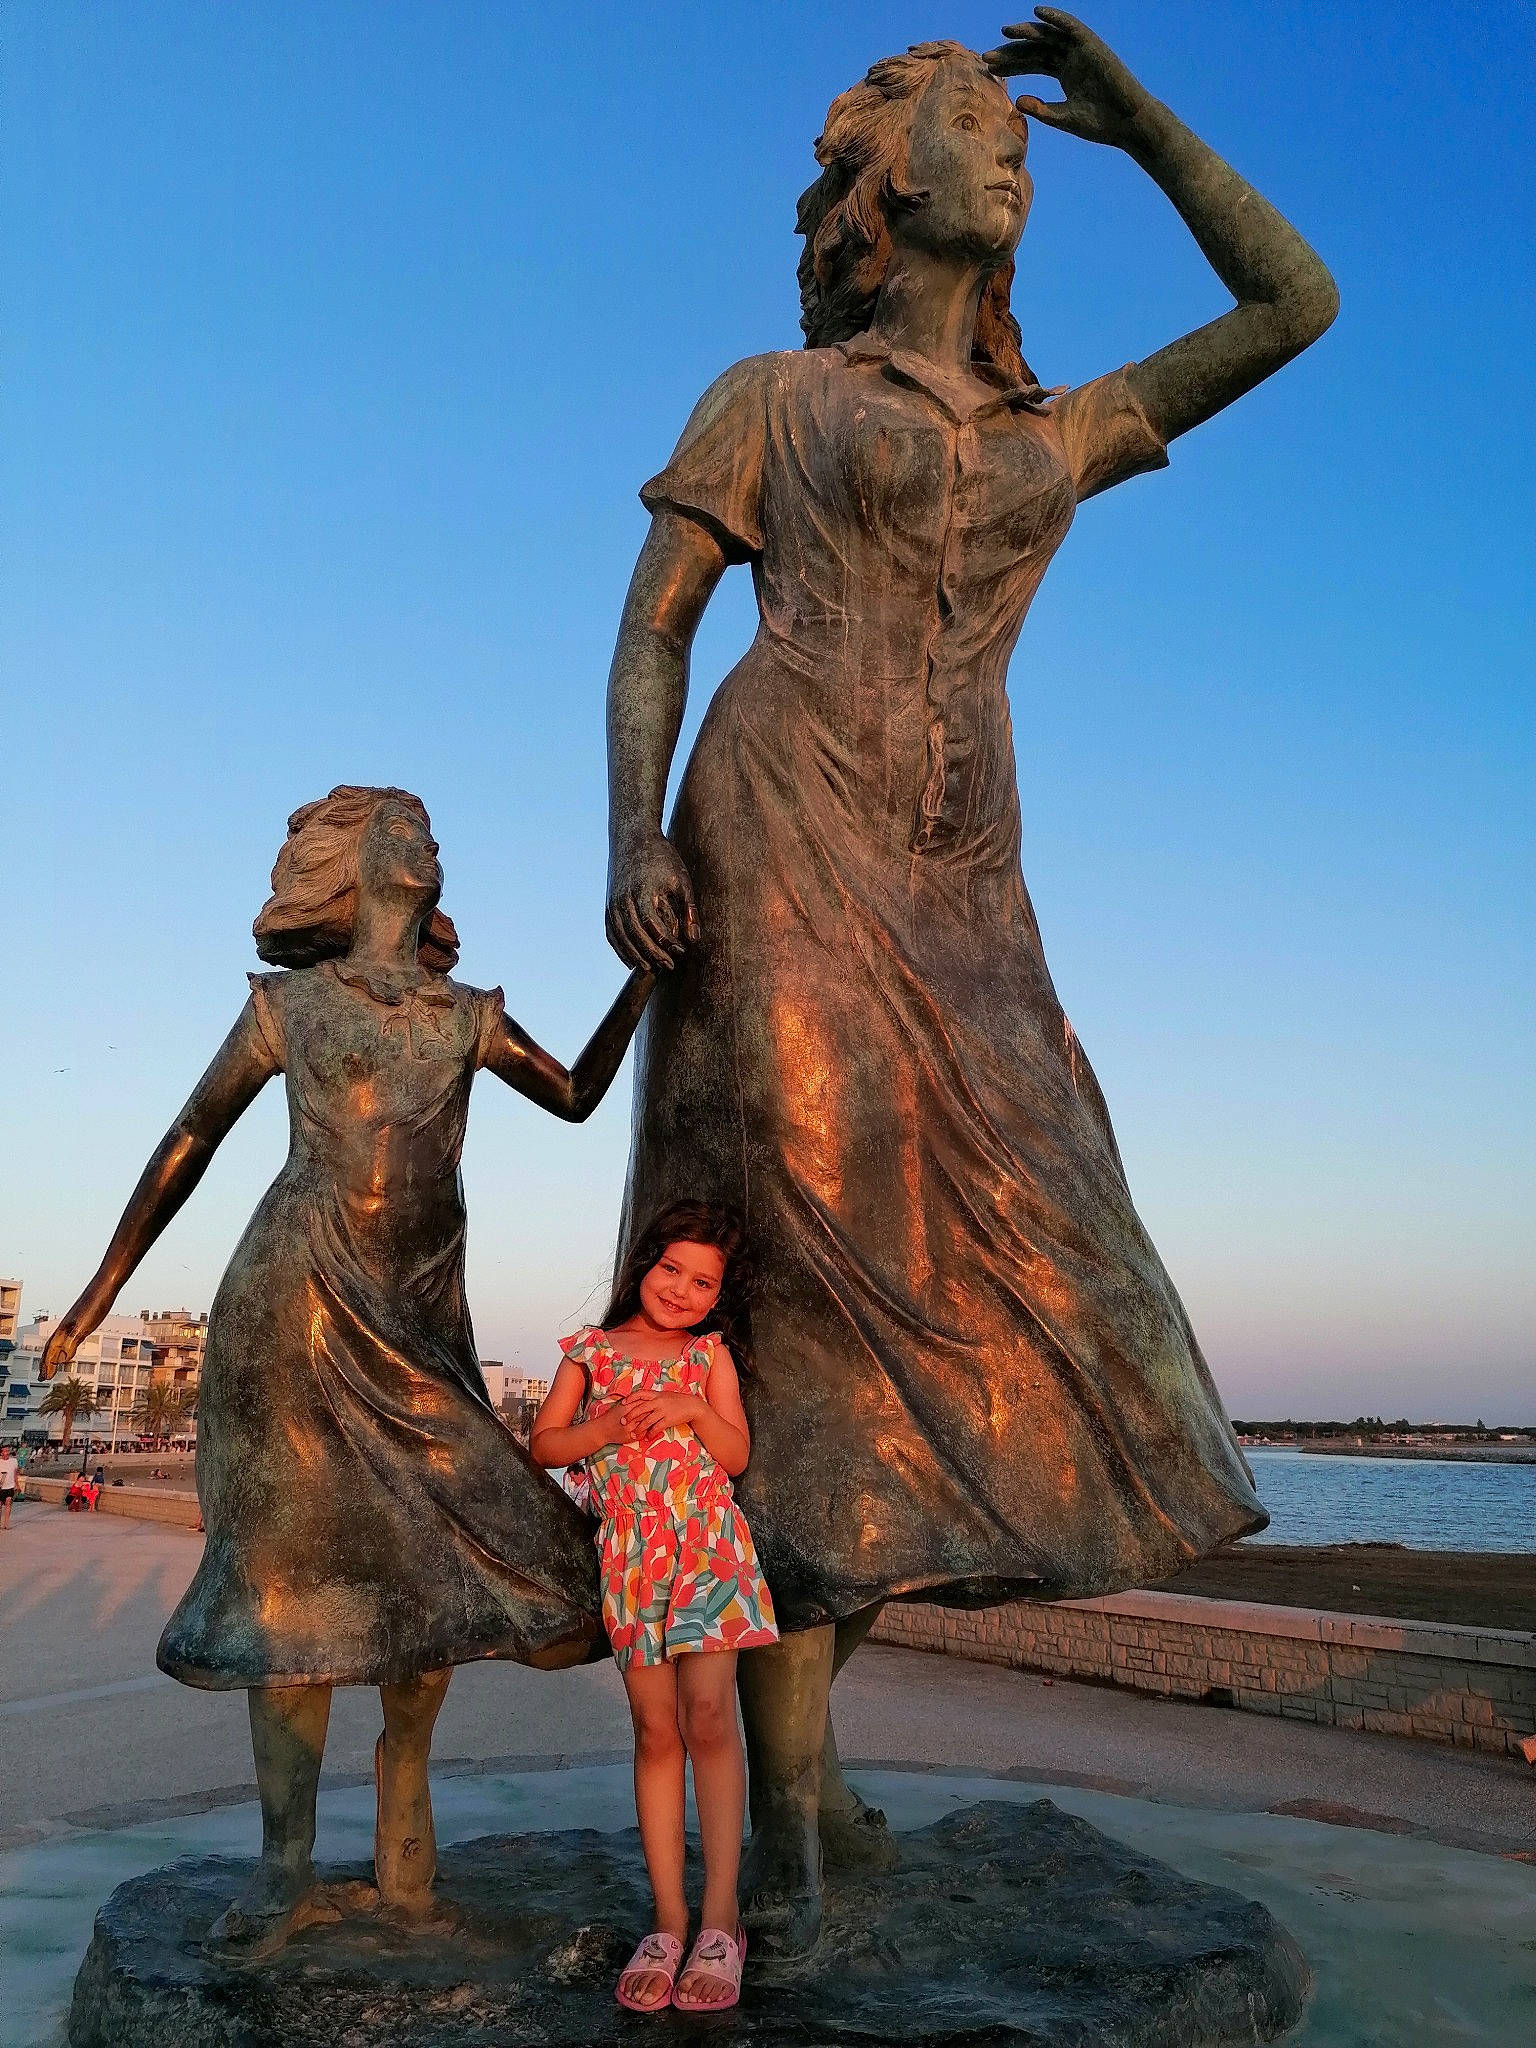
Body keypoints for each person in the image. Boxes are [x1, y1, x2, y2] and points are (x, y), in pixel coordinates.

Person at [602, 13, 1337, 1949]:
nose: (1006, 154)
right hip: (773, 826)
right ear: (885, 185)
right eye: (971, 122)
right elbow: (655, 630)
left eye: (1019, 137)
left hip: (965, 883)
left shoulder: (1052, 431)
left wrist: (1144, 127)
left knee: (1042, 1246)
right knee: (814, 1273)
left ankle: (812, 1759)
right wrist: (632, 838)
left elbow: (1296, 302)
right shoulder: (771, 390)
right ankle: (791, 1793)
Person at [42, 784, 658, 1953]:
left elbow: (576, 1095)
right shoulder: (290, 1009)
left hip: (419, 1318)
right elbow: (189, 1137)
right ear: (358, 864)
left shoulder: (466, 1016)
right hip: (298, 1305)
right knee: (294, 1594)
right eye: (404, 829)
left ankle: (407, 1869)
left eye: (434, 834)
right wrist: (95, 1295)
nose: (427, 844)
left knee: (431, 1585)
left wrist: (647, 978)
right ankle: (283, 1875)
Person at [531, 1200, 778, 2014]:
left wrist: (694, 1411)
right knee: (654, 1730)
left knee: (710, 1718)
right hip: (633, 1557)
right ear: (643, 1265)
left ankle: (720, 1921)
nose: (682, 1288)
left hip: (707, 1549)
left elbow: (735, 1454)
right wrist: (603, 1428)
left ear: (715, 1298)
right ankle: (669, 1921)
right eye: (671, 1267)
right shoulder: (591, 1351)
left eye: (702, 1280)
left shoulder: (708, 1357)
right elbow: (546, 1445)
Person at [0, 1444, 18, 1528]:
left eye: (8, 1451)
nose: (6, 1453)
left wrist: (16, 1484)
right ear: (1, 1452)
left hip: (10, 1486)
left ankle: (6, 1523)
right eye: (4, 1451)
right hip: (1, 1487)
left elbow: (15, 1474)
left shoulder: (14, 1461)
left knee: (8, 1504)